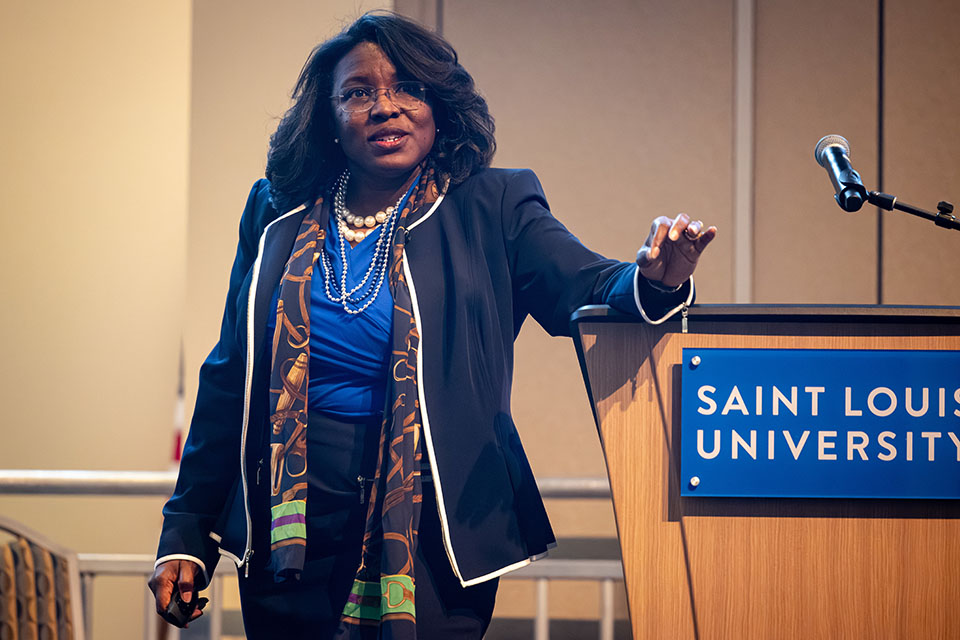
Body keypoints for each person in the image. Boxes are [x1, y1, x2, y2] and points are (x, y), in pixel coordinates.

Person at [148, 11, 715, 640]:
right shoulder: (276, 212)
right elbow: (231, 374)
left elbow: (587, 285)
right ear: (329, 119)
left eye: (407, 89)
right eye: (359, 92)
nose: (385, 107)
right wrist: (186, 532)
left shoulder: (493, 204)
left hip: (434, 524)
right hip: (292, 526)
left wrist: (658, 279)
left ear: (439, 106)